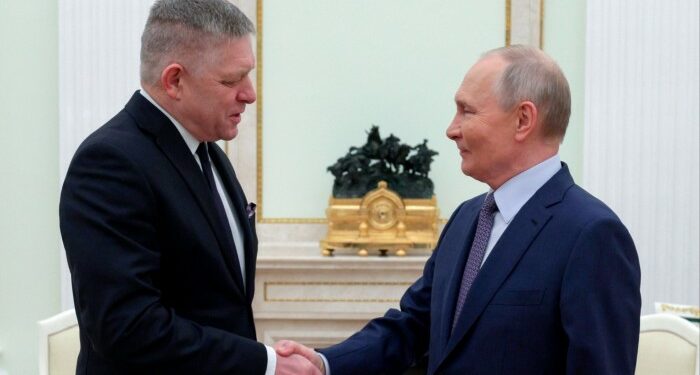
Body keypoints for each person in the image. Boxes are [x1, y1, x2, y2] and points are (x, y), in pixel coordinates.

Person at [275, 45, 642, 374]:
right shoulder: (467, 219)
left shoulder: (592, 234)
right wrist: (324, 364)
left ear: (523, 120)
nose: (451, 130)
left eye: (467, 111)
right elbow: (414, 326)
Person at [59, 0, 319, 373]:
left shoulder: (209, 151)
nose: (250, 94)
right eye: (232, 80)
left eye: (249, 76)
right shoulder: (110, 163)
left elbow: (220, 304)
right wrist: (264, 363)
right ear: (175, 80)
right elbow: (126, 327)